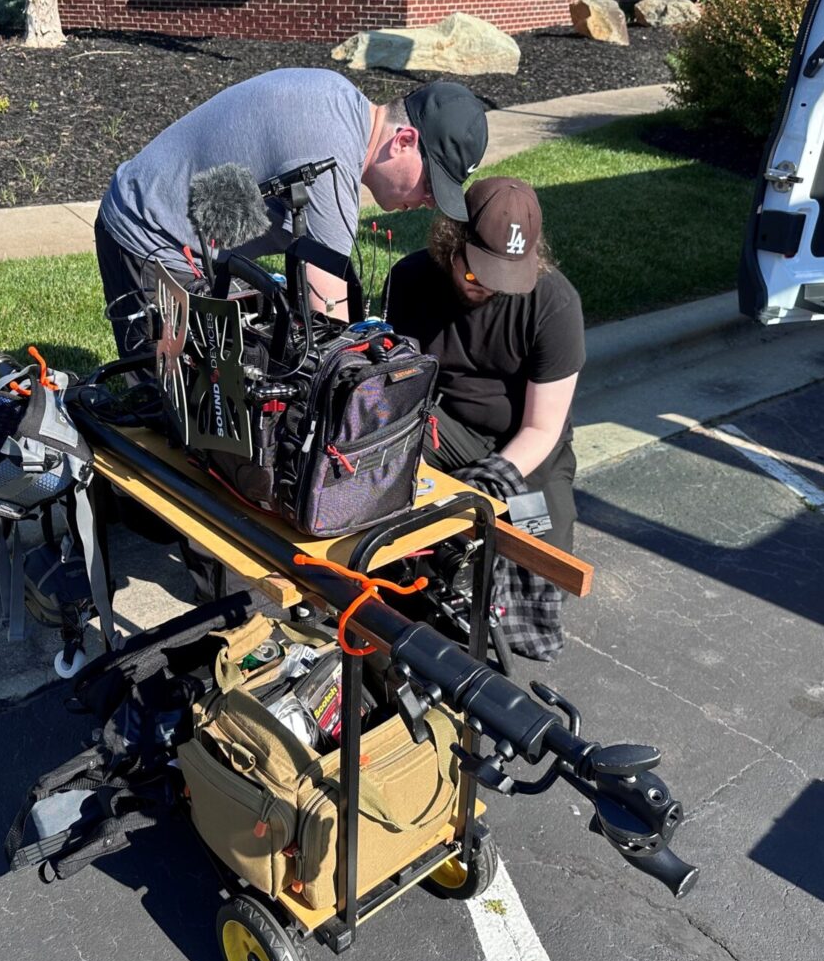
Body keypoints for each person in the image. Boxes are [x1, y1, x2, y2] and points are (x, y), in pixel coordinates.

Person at [95, 68, 490, 360]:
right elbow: (333, 329)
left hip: (183, 234)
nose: (428, 202)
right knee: (183, 417)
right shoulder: (328, 162)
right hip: (146, 236)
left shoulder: (342, 101)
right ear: (404, 141)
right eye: (430, 186)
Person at [384, 177, 585, 660]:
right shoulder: (409, 279)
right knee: (385, 478)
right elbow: (393, 385)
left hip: (527, 445)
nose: (487, 289)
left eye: (504, 280)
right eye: (476, 275)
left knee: (541, 554)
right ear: (452, 244)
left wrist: (490, 482)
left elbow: (542, 427)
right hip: (441, 424)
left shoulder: (555, 303)